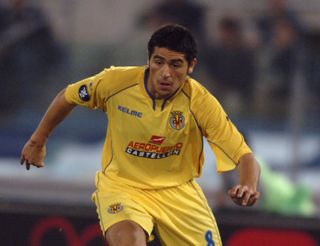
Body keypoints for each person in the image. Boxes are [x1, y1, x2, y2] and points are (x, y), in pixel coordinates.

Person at [20, 24, 260, 246]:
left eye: (175, 64)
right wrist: (37, 140)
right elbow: (68, 96)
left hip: (177, 193)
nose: (165, 73)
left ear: (191, 66)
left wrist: (248, 186)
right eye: (158, 62)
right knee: (130, 240)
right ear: (149, 60)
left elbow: (244, 155)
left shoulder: (200, 103)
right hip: (123, 187)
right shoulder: (116, 83)